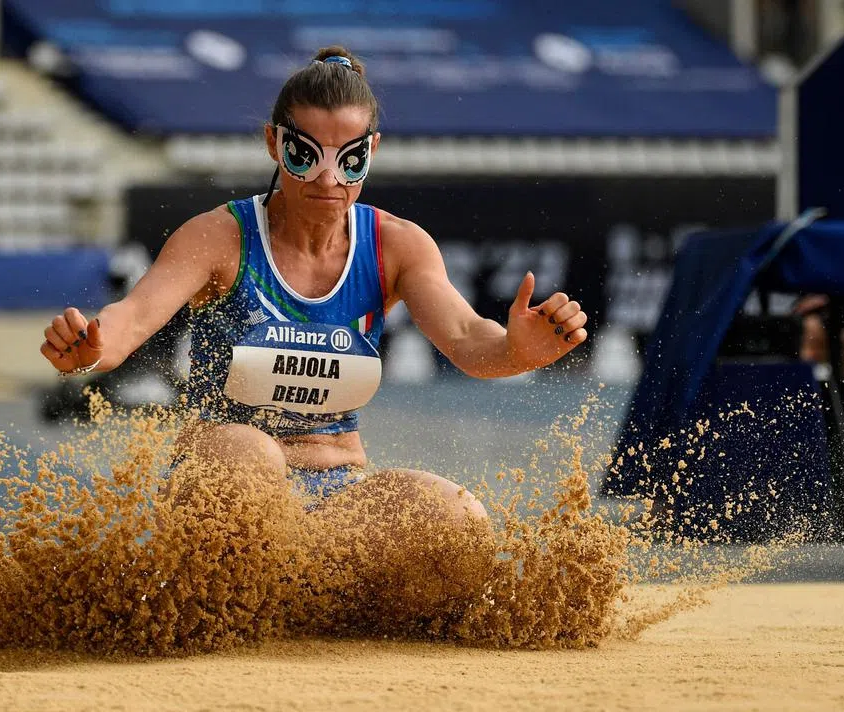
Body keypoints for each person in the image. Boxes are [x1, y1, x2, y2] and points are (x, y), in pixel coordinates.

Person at [40, 46, 588, 520]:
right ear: (275, 145)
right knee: (252, 457)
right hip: (224, 482)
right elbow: (131, 319)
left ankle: (307, 588)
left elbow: (471, 341)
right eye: (306, 156)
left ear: (370, 152)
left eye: (348, 161)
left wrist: (520, 351)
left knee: (458, 517)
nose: (328, 178)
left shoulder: (396, 245)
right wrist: (89, 351)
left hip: (336, 492)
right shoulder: (220, 237)